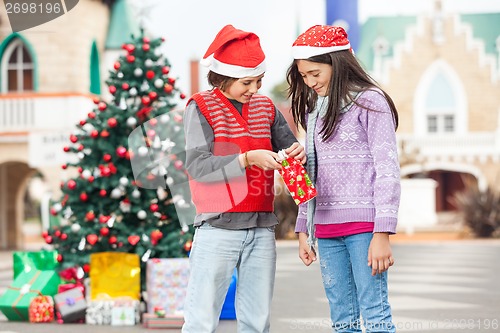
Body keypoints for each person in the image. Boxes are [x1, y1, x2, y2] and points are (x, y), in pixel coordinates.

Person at [182, 24, 305, 333]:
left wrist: (296, 154)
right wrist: (247, 159)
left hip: (262, 227)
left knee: (257, 320)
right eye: (246, 82)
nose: (254, 89)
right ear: (223, 77)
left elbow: (290, 158)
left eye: (259, 80)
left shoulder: (266, 107)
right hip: (216, 227)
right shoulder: (201, 107)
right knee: (200, 320)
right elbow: (198, 166)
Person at [287, 25, 400, 333]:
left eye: (315, 73)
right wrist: (302, 229)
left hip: (365, 228)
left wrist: (382, 232)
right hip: (325, 229)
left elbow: (387, 168)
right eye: (304, 76)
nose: (310, 83)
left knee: (375, 313)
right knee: (342, 320)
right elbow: (310, 174)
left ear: (336, 63)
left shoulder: (371, 101)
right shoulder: (314, 109)